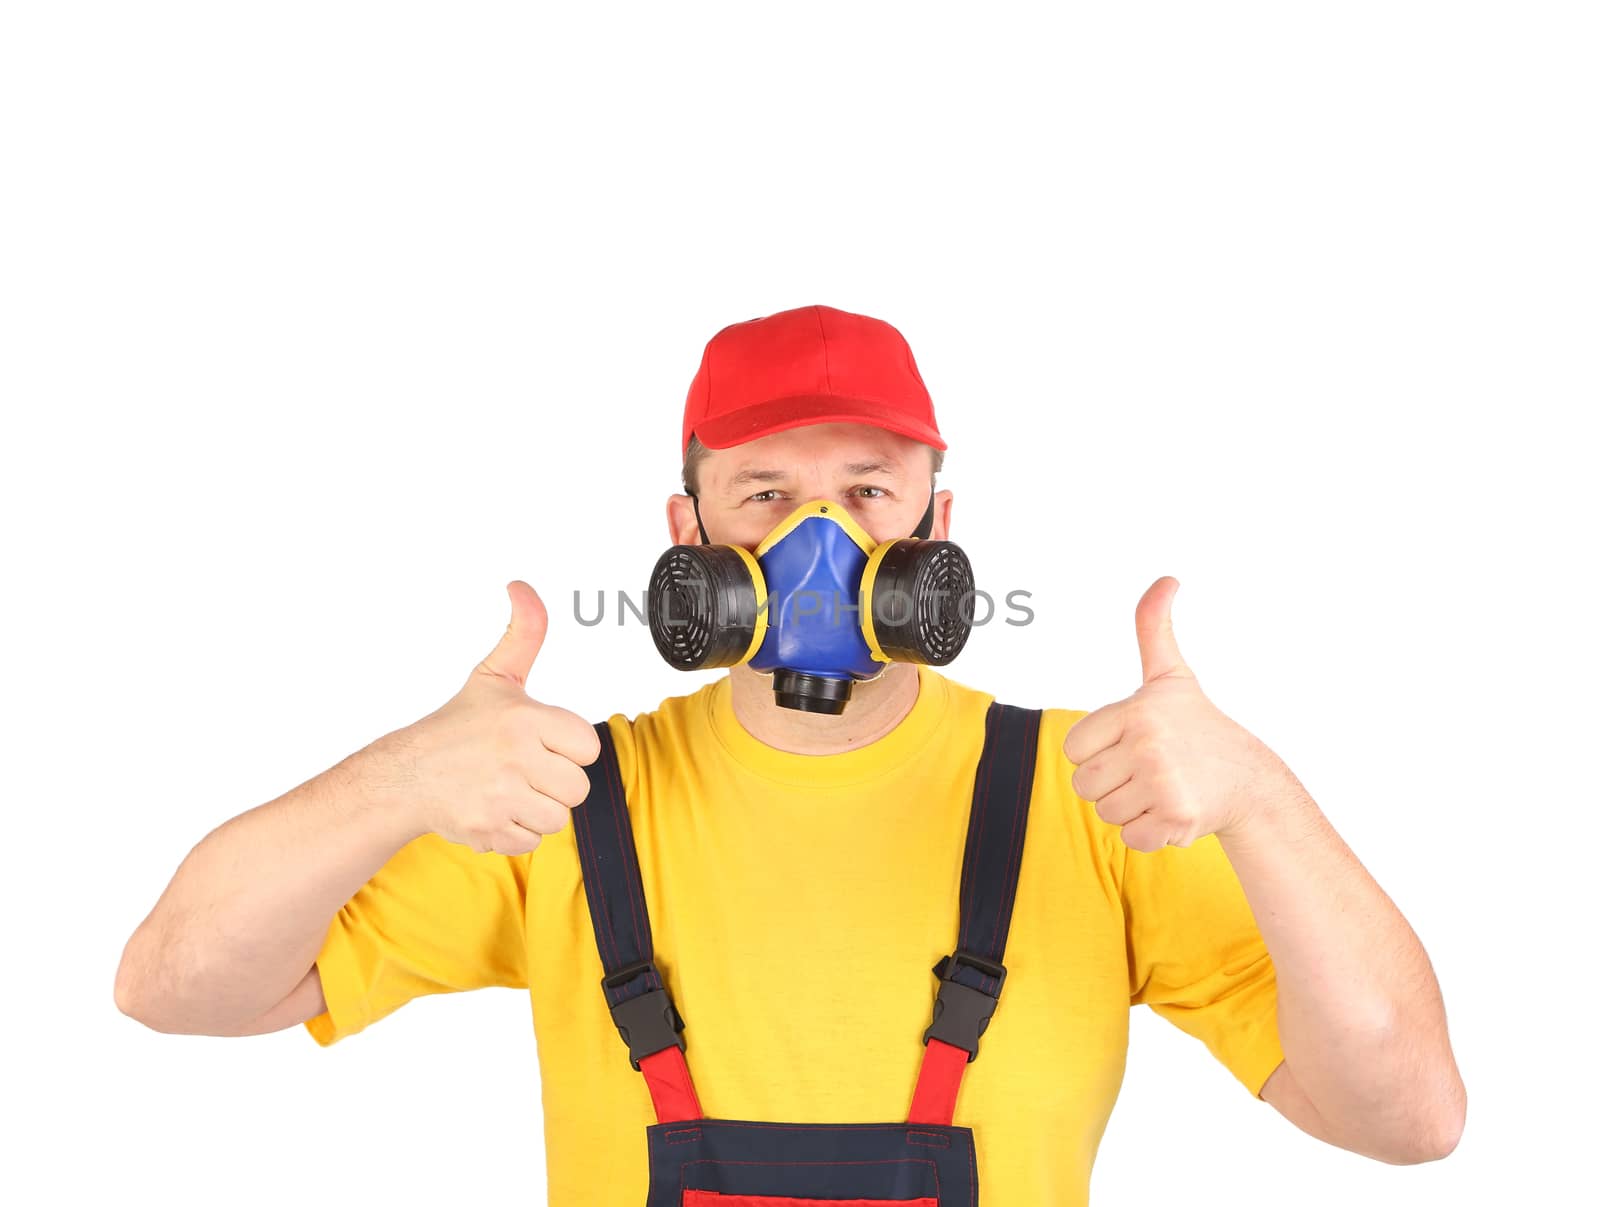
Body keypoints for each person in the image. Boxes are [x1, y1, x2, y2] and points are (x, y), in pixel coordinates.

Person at [115, 304, 1465, 1204]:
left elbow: (1408, 1119)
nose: (821, 543)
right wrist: (396, 777)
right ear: (687, 529)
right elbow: (176, 987)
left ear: (938, 519)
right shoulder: (565, 801)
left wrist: (1262, 800)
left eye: (868, 489)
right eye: (765, 493)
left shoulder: (1094, 791)